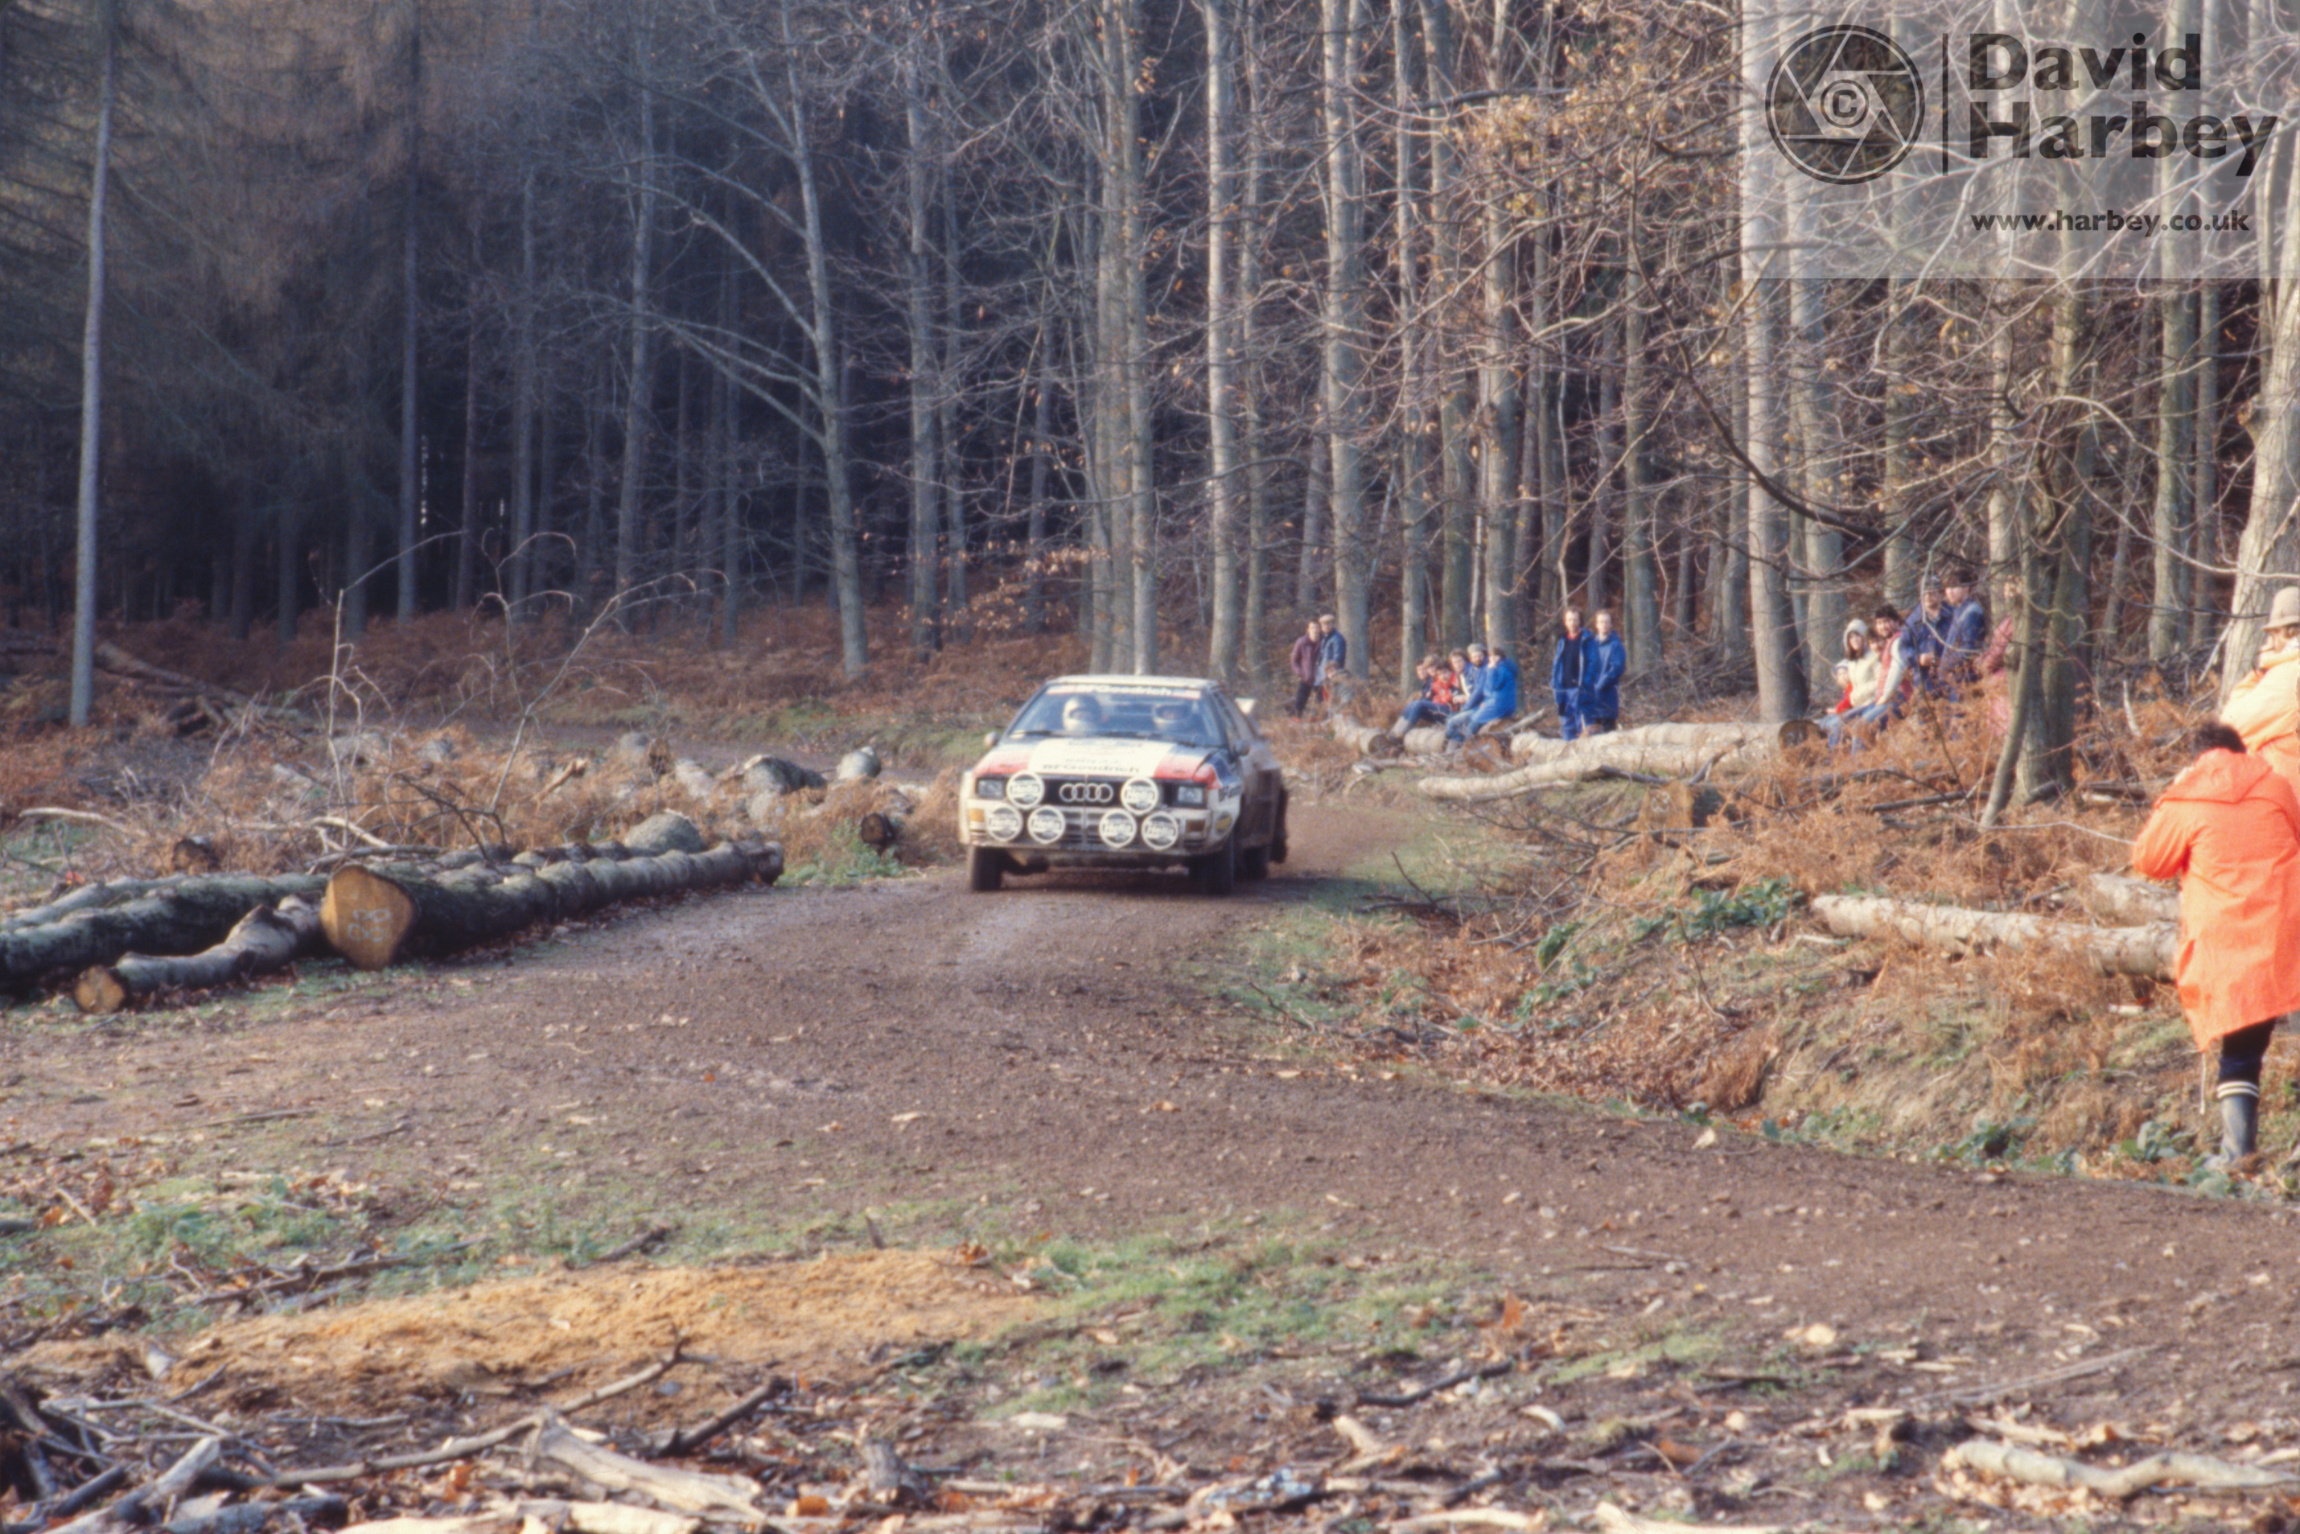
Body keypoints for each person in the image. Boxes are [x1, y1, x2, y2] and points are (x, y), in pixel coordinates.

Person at [2133, 721, 2300, 1166]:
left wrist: (2170, 793)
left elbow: (2149, 860)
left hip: (2229, 941)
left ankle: (2237, 1153)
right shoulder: (2277, 784)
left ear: (2196, 759)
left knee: (2241, 1051)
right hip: (2289, 926)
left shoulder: (2185, 798)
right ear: (2240, 751)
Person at [2219, 586, 2300, 797]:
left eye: (2273, 634)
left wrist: (2260, 671)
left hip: (2288, 808)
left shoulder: (2288, 676)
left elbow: (2230, 726)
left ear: (2285, 633)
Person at [1448, 641, 1520, 742]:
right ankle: (1462, 743)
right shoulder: (1503, 667)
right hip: (1497, 703)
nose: (1489, 660)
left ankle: (1466, 747)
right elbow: (1491, 691)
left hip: (1498, 705)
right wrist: (1485, 702)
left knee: (1472, 724)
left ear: (1498, 658)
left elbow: (1492, 686)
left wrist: (1491, 670)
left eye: (1492, 657)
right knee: (1468, 722)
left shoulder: (1501, 669)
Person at [1940, 570, 1990, 687]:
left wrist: (1946, 665)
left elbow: (1969, 650)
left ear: (1966, 588)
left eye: (1955, 586)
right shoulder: (1958, 610)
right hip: (1954, 678)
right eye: (1947, 587)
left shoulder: (1972, 612)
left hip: (1964, 679)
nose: (1950, 592)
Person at [1903, 578, 1952, 694]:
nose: (1928, 596)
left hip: (1949, 676)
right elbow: (1903, 648)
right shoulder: (1912, 621)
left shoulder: (1953, 616)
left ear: (1941, 594)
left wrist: (1947, 661)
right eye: (1924, 592)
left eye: (1932, 591)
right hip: (1923, 678)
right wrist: (1918, 658)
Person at [1550, 608, 1592, 741]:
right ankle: (1568, 755)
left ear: (1580, 621)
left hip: (1579, 689)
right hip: (1563, 690)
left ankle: (1586, 757)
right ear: (1565, 622)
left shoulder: (1587, 640)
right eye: (1569, 620)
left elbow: (1593, 665)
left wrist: (1586, 684)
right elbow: (1556, 665)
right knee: (1566, 725)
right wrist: (1554, 683)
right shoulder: (1562, 641)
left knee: (1583, 726)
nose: (1572, 623)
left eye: (1575, 619)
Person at [1583, 610, 1627, 734]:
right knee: (1591, 736)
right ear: (1596, 624)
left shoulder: (1616, 646)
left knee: (1608, 738)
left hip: (1607, 699)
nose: (1604, 625)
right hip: (1591, 701)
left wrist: (1599, 686)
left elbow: (1617, 669)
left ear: (1611, 624)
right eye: (1601, 622)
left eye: (1607, 622)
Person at [1391, 653, 1454, 736]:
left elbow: (1447, 695)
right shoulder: (1432, 679)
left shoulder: (1443, 677)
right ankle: (1395, 731)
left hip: (1448, 710)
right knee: (1413, 703)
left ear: (1438, 666)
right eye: (1428, 668)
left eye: (1433, 666)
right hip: (1437, 708)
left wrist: (1435, 698)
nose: (1431, 670)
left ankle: (1402, 734)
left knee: (1418, 704)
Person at [1288, 619, 1321, 717]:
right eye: (1312, 627)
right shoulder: (1302, 642)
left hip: (1320, 678)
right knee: (1299, 703)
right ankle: (1293, 721)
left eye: (1317, 627)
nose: (1315, 630)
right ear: (1308, 630)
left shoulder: (1324, 641)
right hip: (1306, 678)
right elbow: (1294, 660)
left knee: (1323, 703)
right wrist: (1301, 673)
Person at [1316, 614, 1347, 701]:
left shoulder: (1337, 639)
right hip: (1323, 675)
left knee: (1332, 700)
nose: (1326, 626)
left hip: (1332, 675)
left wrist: (1331, 672)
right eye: (1323, 624)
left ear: (1333, 625)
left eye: (1328, 624)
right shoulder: (1324, 638)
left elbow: (1338, 657)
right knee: (1323, 699)